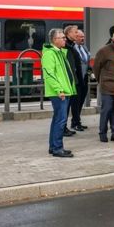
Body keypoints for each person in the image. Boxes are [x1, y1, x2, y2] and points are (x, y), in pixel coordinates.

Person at [42, 28, 76, 158]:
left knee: (57, 119)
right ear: (54, 40)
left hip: (64, 91)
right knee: (61, 120)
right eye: (62, 37)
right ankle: (57, 148)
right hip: (59, 92)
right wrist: (59, 90)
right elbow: (49, 74)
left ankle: (53, 146)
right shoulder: (50, 54)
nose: (64, 39)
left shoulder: (60, 52)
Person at [93, 30, 114, 143]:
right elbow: (96, 67)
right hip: (108, 86)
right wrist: (101, 79)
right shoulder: (104, 51)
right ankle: (103, 132)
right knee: (107, 110)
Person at [63, 25, 83, 135]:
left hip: (74, 80)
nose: (77, 34)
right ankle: (63, 127)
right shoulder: (66, 47)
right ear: (69, 33)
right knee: (65, 106)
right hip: (69, 81)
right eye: (75, 32)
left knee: (72, 104)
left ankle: (67, 126)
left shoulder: (71, 46)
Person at [74, 30, 91, 128]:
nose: (83, 38)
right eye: (80, 37)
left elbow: (86, 61)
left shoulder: (84, 47)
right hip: (77, 78)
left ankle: (77, 121)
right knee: (76, 101)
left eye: (83, 37)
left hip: (84, 78)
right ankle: (75, 122)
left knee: (81, 101)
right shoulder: (73, 49)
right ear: (75, 38)